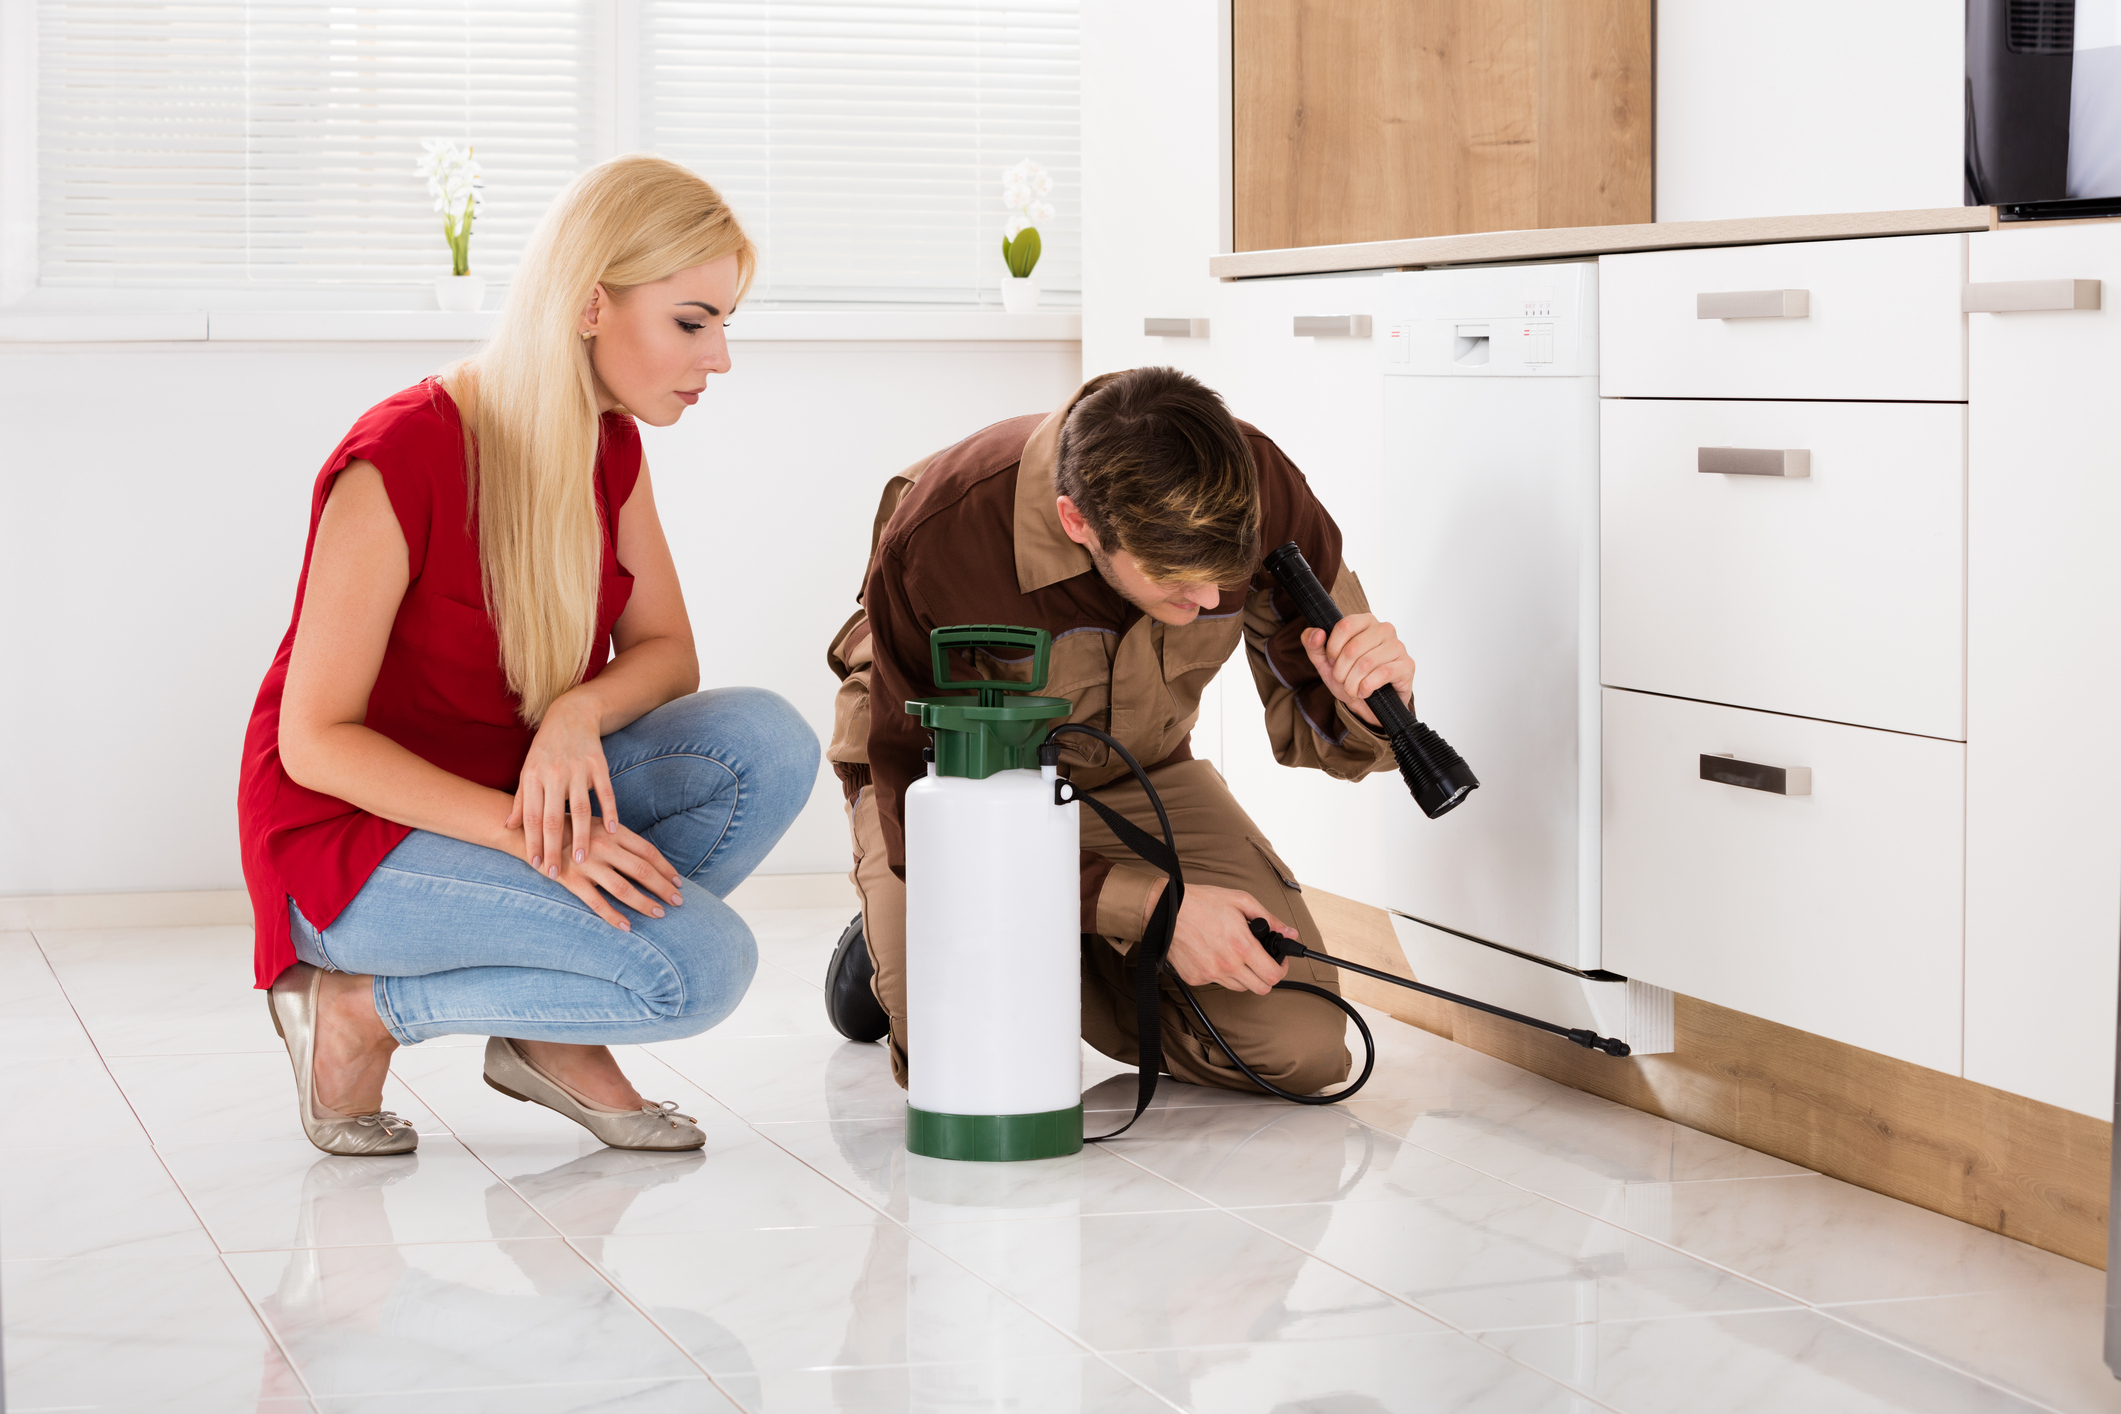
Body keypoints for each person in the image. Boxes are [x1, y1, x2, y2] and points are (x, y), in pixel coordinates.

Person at [238, 154, 819, 1157]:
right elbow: (316, 744)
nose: (718, 357)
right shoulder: (400, 455)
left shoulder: (610, 445)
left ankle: (548, 1024)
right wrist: (531, 836)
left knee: (762, 740)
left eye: (725, 323)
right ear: (593, 305)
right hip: (354, 843)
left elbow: (668, 653)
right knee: (699, 969)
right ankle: (357, 1007)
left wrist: (574, 714)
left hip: (514, 796)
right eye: (693, 321)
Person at [824, 366, 1412, 1095]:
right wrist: (1148, 907)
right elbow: (919, 796)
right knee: (972, 1071)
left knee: (1301, 1054)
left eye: (1219, 581)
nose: (1207, 601)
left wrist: (1367, 700)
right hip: (960, 789)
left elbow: (1324, 735)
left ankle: (1058, 936)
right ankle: (888, 949)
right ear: (1079, 522)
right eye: (1175, 582)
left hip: (1138, 770)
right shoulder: (943, 529)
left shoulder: (1257, 488)